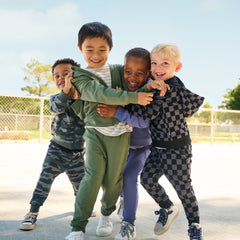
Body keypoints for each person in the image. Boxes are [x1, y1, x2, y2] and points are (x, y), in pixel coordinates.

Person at [65, 22, 154, 240]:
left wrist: (149, 87)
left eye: (102, 50)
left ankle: (106, 215)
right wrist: (133, 97)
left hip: (121, 133)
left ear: (111, 49)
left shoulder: (117, 70)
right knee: (92, 178)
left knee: (114, 180)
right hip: (95, 133)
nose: (96, 55)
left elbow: (134, 83)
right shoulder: (80, 76)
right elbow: (100, 94)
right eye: (89, 50)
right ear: (80, 49)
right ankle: (78, 227)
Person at [126, 44, 204, 240]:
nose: (158, 68)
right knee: (147, 179)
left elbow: (150, 112)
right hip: (157, 147)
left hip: (176, 148)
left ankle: (194, 226)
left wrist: (128, 102)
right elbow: (144, 109)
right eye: (154, 63)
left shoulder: (175, 89)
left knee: (183, 188)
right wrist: (129, 97)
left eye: (165, 63)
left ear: (176, 67)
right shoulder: (152, 85)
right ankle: (168, 208)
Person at [19, 58, 86, 231]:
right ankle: (32, 212)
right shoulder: (56, 98)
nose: (61, 78)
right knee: (44, 182)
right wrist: (65, 91)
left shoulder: (85, 100)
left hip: (77, 154)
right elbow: (57, 108)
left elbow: (87, 116)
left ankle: (82, 209)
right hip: (56, 151)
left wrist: (76, 95)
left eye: (66, 74)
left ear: (76, 76)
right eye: (57, 76)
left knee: (81, 186)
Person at [97, 47, 155, 240]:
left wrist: (118, 110)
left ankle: (129, 223)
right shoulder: (118, 84)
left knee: (130, 177)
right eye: (128, 71)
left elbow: (143, 121)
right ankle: (122, 200)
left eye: (139, 73)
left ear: (147, 73)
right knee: (114, 178)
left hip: (142, 147)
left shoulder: (149, 91)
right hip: (119, 146)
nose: (132, 77)